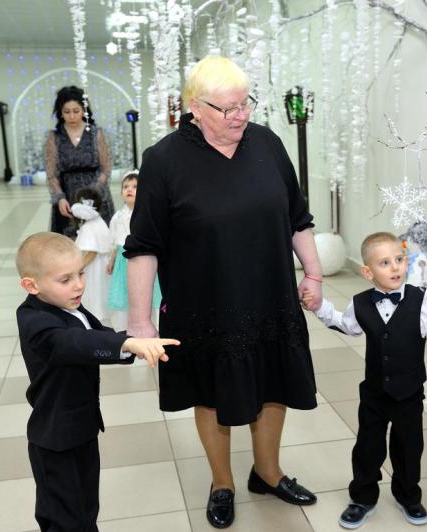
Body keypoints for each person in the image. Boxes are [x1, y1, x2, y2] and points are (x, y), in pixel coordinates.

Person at [124, 56, 324, 529]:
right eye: (227, 108)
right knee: (211, 393)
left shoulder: (267, 143)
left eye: (245, 104)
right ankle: (222, 483)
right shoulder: (164, 160)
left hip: (270, 294)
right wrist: (140, 321)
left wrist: (313, 274)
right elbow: (144, 246)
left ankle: (268, 473)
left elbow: (297, 217)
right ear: (195, 107)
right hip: (203, 302)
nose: (240, 116)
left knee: (274, 383)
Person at [302, 232, 427, 529]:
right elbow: (345, 325)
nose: (395, 267)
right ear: (367, 272)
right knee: (367, 446)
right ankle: (362, 498)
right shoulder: (360, 303)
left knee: (409, 447)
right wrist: (318, 306)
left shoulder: (424, 301)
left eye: (399, 259)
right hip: (374, 393)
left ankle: (408, 495)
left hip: (409, 394)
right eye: (385, 263)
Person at [15, 231, 179, 532]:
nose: (79, 284)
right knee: (63, 517)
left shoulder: (70, 307)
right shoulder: (34, 321)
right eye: (65, 279)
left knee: (86, 506)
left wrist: (131, 343)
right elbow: (73, 343)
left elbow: (95, 334)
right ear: (31, 285)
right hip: (55, 439)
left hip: (82, 428)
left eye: (80, 273)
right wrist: (124, 344)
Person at [45, 85, 115, 239]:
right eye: (66, 112)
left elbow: (106, 169)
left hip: (96, 195)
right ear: (60, 112)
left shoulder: (96, 133)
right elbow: (51, 174)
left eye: (76, 111)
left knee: (100, 241)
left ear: (84, 110)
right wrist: (60, 198)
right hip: (67, 198)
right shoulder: (54, 137)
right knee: (70, 243)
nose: (71, 116)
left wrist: (93, 193)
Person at [106, 171, 161, 331]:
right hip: (123, 261)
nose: (129, 189)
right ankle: (126, 327)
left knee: (145, 291)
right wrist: (111, 261)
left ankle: (149, 323)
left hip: (143, 258)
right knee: (125, 292)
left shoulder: (147, 214)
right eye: (126, 187)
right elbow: (114, 242)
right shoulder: (117, 217)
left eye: (135, 187)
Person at [71, 187, 113, 324]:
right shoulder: (99, 221)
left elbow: (91, 252)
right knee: (101, 293)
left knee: (93, 294)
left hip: (93, 267)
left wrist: (77, 268)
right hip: (102, 264)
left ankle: (94, 320)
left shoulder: (89, 226)